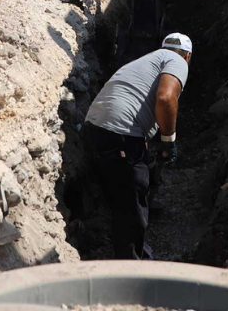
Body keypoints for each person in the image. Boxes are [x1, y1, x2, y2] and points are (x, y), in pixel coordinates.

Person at [81, 33, 191, 259]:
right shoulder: (177, 61)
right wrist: (168, 139)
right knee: (131, 206)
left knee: (123, 194)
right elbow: (166, 98)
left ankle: (123, 246)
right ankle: (133, 269)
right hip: (120, 135)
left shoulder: (146, 60)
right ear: (188, 55)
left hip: (94, 128)